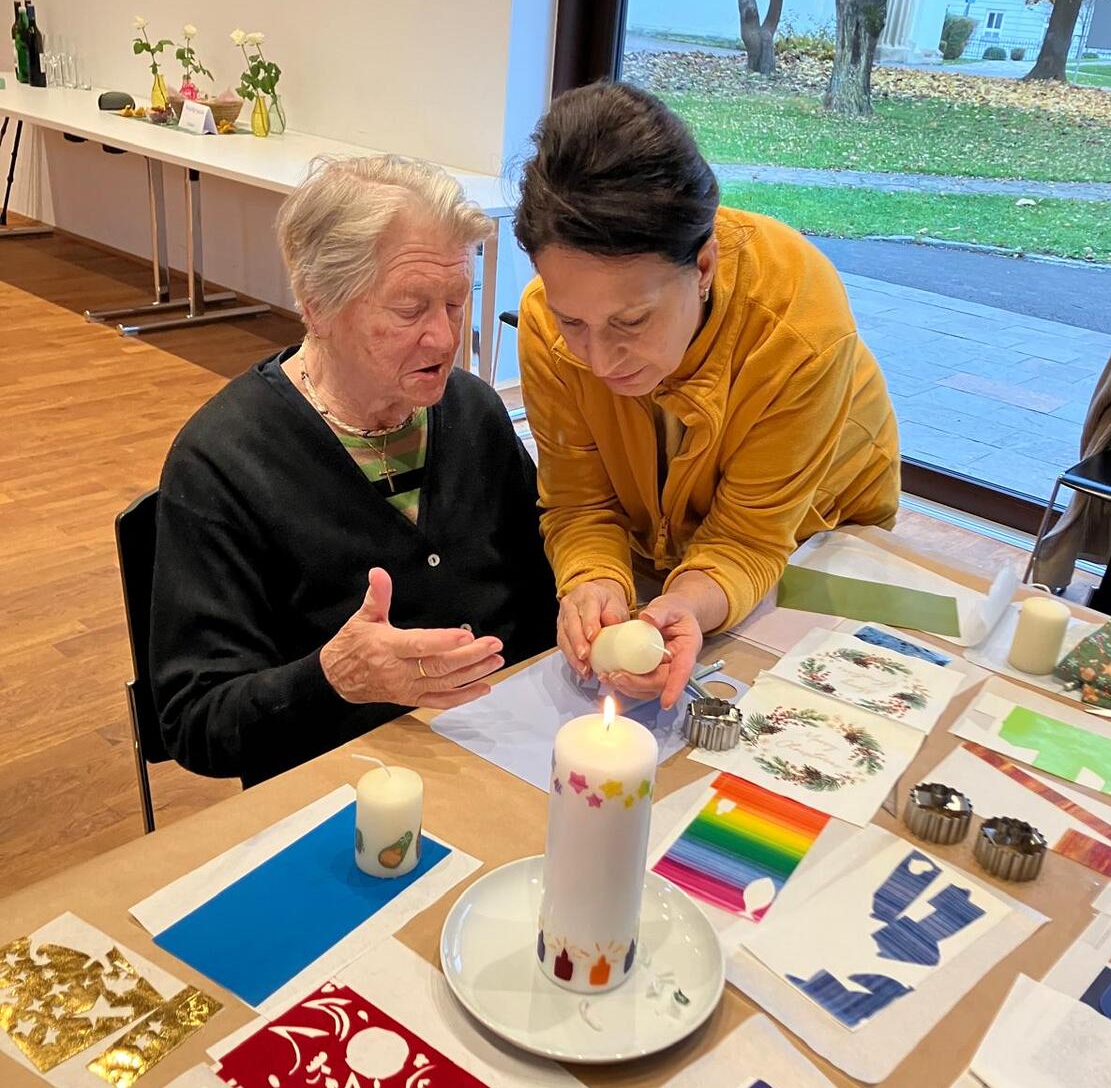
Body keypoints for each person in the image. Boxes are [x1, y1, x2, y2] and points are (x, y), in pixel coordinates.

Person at [151, 154, 557, 786]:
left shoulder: (473, 412)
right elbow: (196, 720)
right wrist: (333, 678)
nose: (444, 338)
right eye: (410, 309)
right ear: (317, 307)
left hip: (507, 754)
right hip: (345, 786)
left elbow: (542, 590)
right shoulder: (224, 461)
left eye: (456, 303)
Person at [514, 81, 899, 708]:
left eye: (631, 322)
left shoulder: (798, 328)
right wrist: (591, 581)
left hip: (812, 540)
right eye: (572, 321)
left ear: (703, 266)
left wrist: (690, 604)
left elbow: (749, 540)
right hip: (670, 541)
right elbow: (581, 504)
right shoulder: (544, 323)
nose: (599, 360)